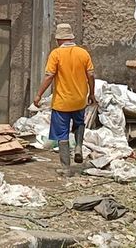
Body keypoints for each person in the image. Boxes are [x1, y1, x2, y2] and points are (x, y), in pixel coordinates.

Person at [33, 23, 96, 176]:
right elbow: (91, 75)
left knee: (62, 134)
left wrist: (39, 94)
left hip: (62, 103)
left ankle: (66, 168)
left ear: (58, 40)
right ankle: (79, 146)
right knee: (79, 123)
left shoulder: (55, 54)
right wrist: (91, 94)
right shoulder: (83, 53)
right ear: (71, 38)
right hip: (80, 100)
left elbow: (49, 76)